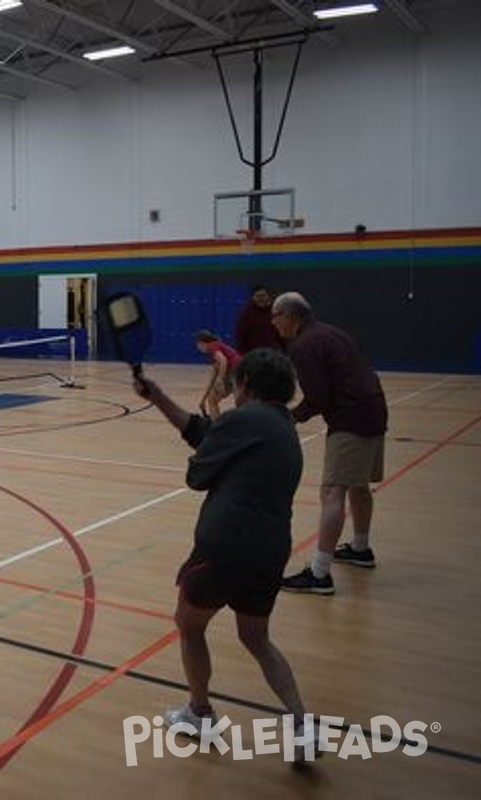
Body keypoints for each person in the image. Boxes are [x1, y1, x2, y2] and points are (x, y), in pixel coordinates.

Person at [133, 348, 313, 741]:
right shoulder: (279, 424)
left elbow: (197, 475)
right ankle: (302, 724)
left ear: (245, 384)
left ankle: (200, 713)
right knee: (256, 637)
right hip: (270, 551)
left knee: (189, 624)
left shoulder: (246, 418)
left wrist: (214, 423)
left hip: (226, 548)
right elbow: (206, 435)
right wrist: (159, 398)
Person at [271, 292, 388, 595]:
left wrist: (290, 416)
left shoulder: (304, 345)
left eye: (275, 316)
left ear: (289, 315)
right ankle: (360, 549)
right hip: (374, 411)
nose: (273, 323)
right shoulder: (331, 332)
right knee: (358, 485)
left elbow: (319, 398)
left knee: (332, 490)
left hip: (350, 419)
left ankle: (320, 574)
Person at [194, 329, 241, 421]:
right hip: (234, 373)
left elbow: (224, 361)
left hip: (237, 372)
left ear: (202, 343)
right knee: (212, 400)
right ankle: (217, 427)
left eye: (197, 345)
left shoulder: (213, 346)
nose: (197, 348)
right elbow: (214, 376)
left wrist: (220, 380)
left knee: (240, 403)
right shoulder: (214, 351)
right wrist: (203, 399)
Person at [235, 285, 284, 354]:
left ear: (268, 296)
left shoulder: (274, 311)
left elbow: (281, 333)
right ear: (253, 298)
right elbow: (241, 335)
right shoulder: (247, 314)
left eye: (263, 296)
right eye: (258, 296)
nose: (261, 299)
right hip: (253, 353)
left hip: (272, 352)